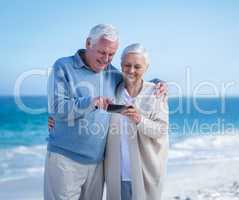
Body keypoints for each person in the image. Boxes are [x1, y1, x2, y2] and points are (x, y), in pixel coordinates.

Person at [45, 24, 166, 200]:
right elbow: (57, 108)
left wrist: (160, 83)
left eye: (111, 54)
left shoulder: (111, 73)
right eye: (102, 52)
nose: (106, 59)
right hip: (65, 159)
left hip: (98, 163)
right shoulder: (63, 66)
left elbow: (135, 78)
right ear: (88, 43)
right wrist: (91, 102)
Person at [104, 43, 169, 200]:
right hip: (117, 173)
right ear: (121, 65)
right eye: (127, 65)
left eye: (137, 66)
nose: (131, 71)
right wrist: (57, 118)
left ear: (146, 68)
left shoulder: (155, 93)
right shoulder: (113, 91)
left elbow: (161, 129)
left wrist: (139, 120)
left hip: (145, 173)